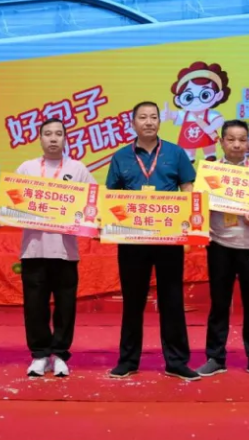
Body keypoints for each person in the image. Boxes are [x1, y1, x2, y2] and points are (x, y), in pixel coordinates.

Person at [106, 101, 199, 381]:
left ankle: (177, 361)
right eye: (143, 117)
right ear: (133, 123)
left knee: (172, 299)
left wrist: (187, 221)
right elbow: (111, 196)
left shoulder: (176, 153)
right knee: (133, 301)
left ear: (159, 121)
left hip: (168, 238)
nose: (149, 122)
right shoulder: (121, 157)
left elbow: (188, 188)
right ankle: (128, 360)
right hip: (132, 240)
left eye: (154, 117)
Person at [196, 119, 249, 379]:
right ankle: (215, 357)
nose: (236, 144)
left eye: (242, 140)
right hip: (219, 244)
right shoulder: (210, 171)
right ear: (221, 142)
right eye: (231, 139)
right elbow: (198, 207)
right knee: (219, 304)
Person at [14, 118, 96, 378]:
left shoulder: (77, 169)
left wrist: (95, 222)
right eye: (47, 133)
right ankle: (39, 356)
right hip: (33, 250)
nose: (53, 138)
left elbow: (94, 202)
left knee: (65, 306)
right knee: (35, 306)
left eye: (58, 134)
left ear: (65, 138)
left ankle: (60, 354)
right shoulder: (27, 168)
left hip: (65, 251)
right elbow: (10, 202)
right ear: (39, 138)